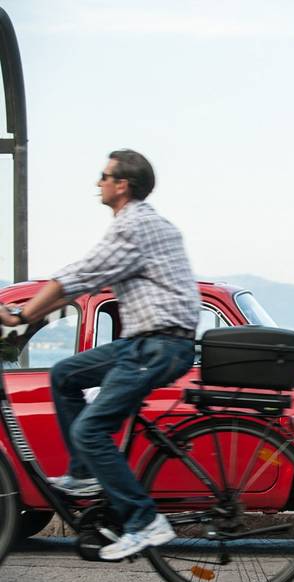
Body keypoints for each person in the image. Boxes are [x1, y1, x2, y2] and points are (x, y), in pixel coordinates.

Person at [0, 150, 199, 560]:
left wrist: (21, 315)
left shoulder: (133, 226)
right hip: (145, 341)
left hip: (158, 345)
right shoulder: (145, 223)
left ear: (122, 184)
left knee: (90, 430)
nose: (98, 183)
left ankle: (145, 522)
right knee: (64, 375)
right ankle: (85, 473)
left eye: (104, 176)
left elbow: (79, 275)